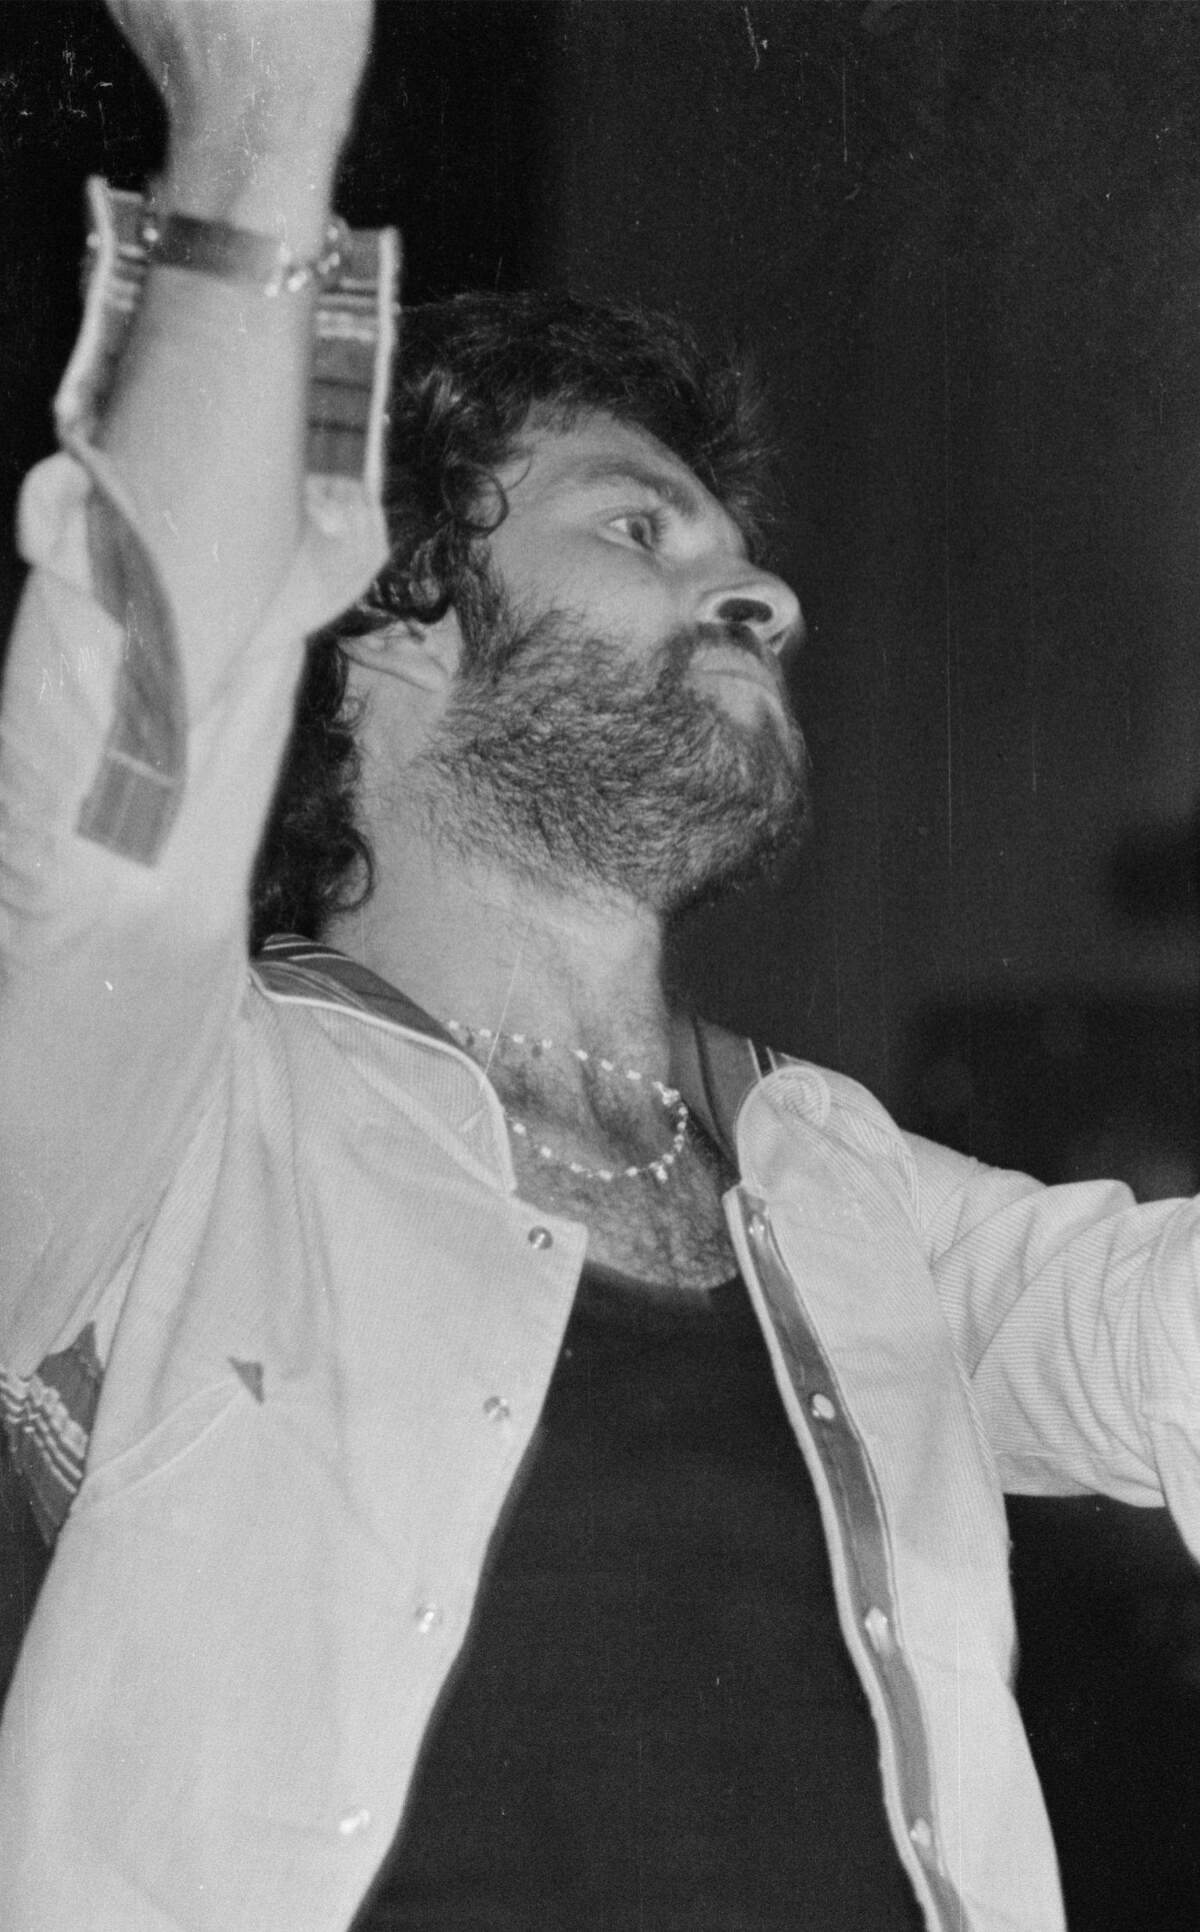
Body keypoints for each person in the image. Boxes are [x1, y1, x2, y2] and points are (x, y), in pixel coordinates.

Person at [1, 4, 1198, 1929]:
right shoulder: (168, 1112)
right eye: (640, 525)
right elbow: (121, 779)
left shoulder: (853, 1189)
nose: (767, 593)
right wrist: (256, 131)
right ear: (396, 630)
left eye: (735, 550)